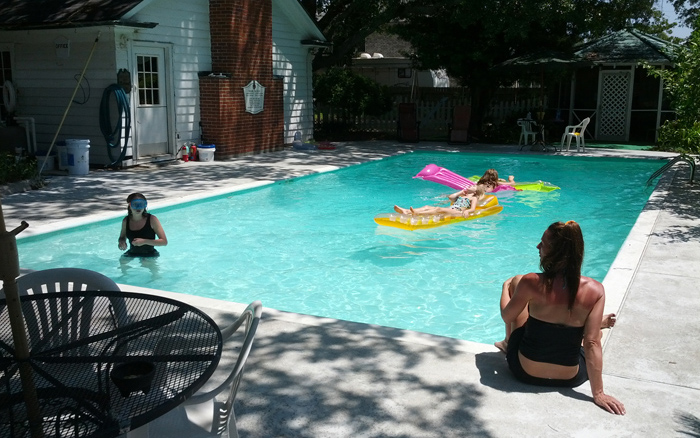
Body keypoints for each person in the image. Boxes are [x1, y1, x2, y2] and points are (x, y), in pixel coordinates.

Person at [495, 221, 625, 415]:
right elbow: (592, 344)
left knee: (516, 281)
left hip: (524, 371)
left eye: (543, 243)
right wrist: (598, 393)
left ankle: (507, 343)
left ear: (556, 252)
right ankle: (595, 323)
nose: (538, 247)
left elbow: (508, 317)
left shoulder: (531, 282)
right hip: (570, 378)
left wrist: (505, 288)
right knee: (594, 336)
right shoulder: (596, 290)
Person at [118, 193, 168, 257]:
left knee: (145, 262)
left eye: (141, 204)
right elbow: (122, 237)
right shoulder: (126, 221)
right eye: (135, 204)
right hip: (132, 252)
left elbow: (164, 242)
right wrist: (121, 242)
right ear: (130, 205)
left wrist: (144, 241)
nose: (138, 207)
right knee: (122, 262)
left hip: (150, 254)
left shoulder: (152, 219)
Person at [394, 184, 487, 218]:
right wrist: (460, 192)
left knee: (438, 209)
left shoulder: (473, 198)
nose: (470, 186)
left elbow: (473, 209)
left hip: (458, 211)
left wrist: (467, 211)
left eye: (473, 186)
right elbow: (451, 197)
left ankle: (416, 214)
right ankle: (407, 211)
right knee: (427, 206)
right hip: (451, 208)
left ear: (476, 191)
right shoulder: (462, 195)